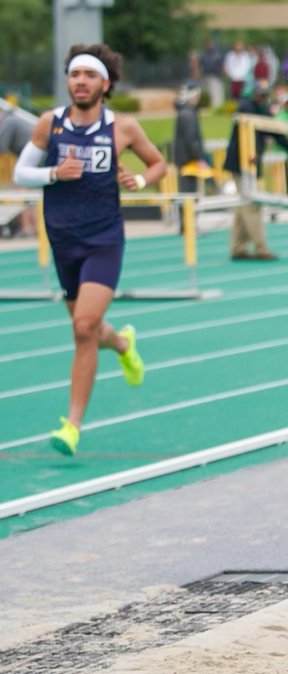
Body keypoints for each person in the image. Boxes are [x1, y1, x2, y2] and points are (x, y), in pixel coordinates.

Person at [13, 43, 165, 456]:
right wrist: (54, 173)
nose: (80, 81)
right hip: (64, 241)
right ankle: (123, 345)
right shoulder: (50, 124)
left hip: (103, 241)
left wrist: (141, 181)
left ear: (105, 83)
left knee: (82, 328)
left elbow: (158, 163)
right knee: (91, 329)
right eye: (75, 74)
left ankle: (72, 427)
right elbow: (20, 173)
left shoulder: (124, 128)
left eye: (89, 75)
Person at [222, 81, 288, 261]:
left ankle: (238, 248)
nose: (263, 98)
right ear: (254, 93)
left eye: (266, 95)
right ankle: (261, 247)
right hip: (240, 164)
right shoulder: (246, 108)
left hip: (249, 165)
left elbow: (275, 133)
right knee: (252, 205)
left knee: (245, 206)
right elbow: (246, 129)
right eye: (261, 94)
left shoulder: (261, 109)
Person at [0, 106, 38, 237]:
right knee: (31, 195)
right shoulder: (14, 120)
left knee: (21, 191)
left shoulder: (8, 122)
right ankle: (33, 226)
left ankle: (28, 228)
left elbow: (1, 147)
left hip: (32, 160)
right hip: (35, 160)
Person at [172, 81, 208, 195]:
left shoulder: (184, 112)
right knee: (189, 195)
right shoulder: (188, 114)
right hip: (188, 161)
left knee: (186, 193)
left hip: (184, 160)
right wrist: (199, 158)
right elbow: (191, 140)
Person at [199, 39, 225, 107]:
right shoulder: (203, 55)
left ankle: (217, 106)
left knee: (216, 94)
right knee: (207, 94)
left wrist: (221, 74)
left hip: (215, 77)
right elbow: (201, 65)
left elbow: (222, 66)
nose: (209, 46)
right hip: (206, 76)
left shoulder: (217, 55)